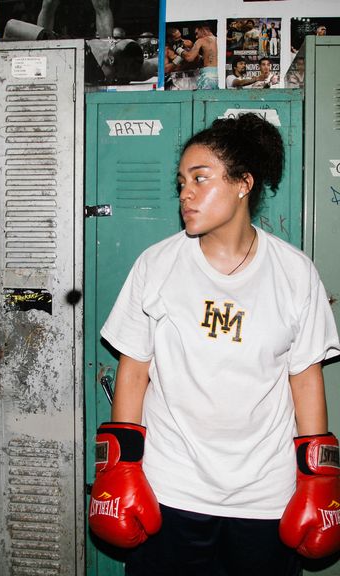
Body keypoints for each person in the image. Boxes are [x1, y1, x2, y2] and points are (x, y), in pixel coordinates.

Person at [89, 113, 340, 575]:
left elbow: (305, 378)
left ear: (244, 183)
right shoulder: (157, 265)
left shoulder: (294, 273)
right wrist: (122, 469)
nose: (185, 192)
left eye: (200, 179)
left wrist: (316, 479)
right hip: (172, 485)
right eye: (181, 181)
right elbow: (134, 369)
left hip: (266, 494)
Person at [175, 23, 218, 89]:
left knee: (205, 98)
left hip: (209, 77)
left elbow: (190, 58)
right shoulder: (220, 40)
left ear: (203, 30)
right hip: (220, 75)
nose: (196, 37)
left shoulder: (201, 40)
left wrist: (178, 49)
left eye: (197, 33)